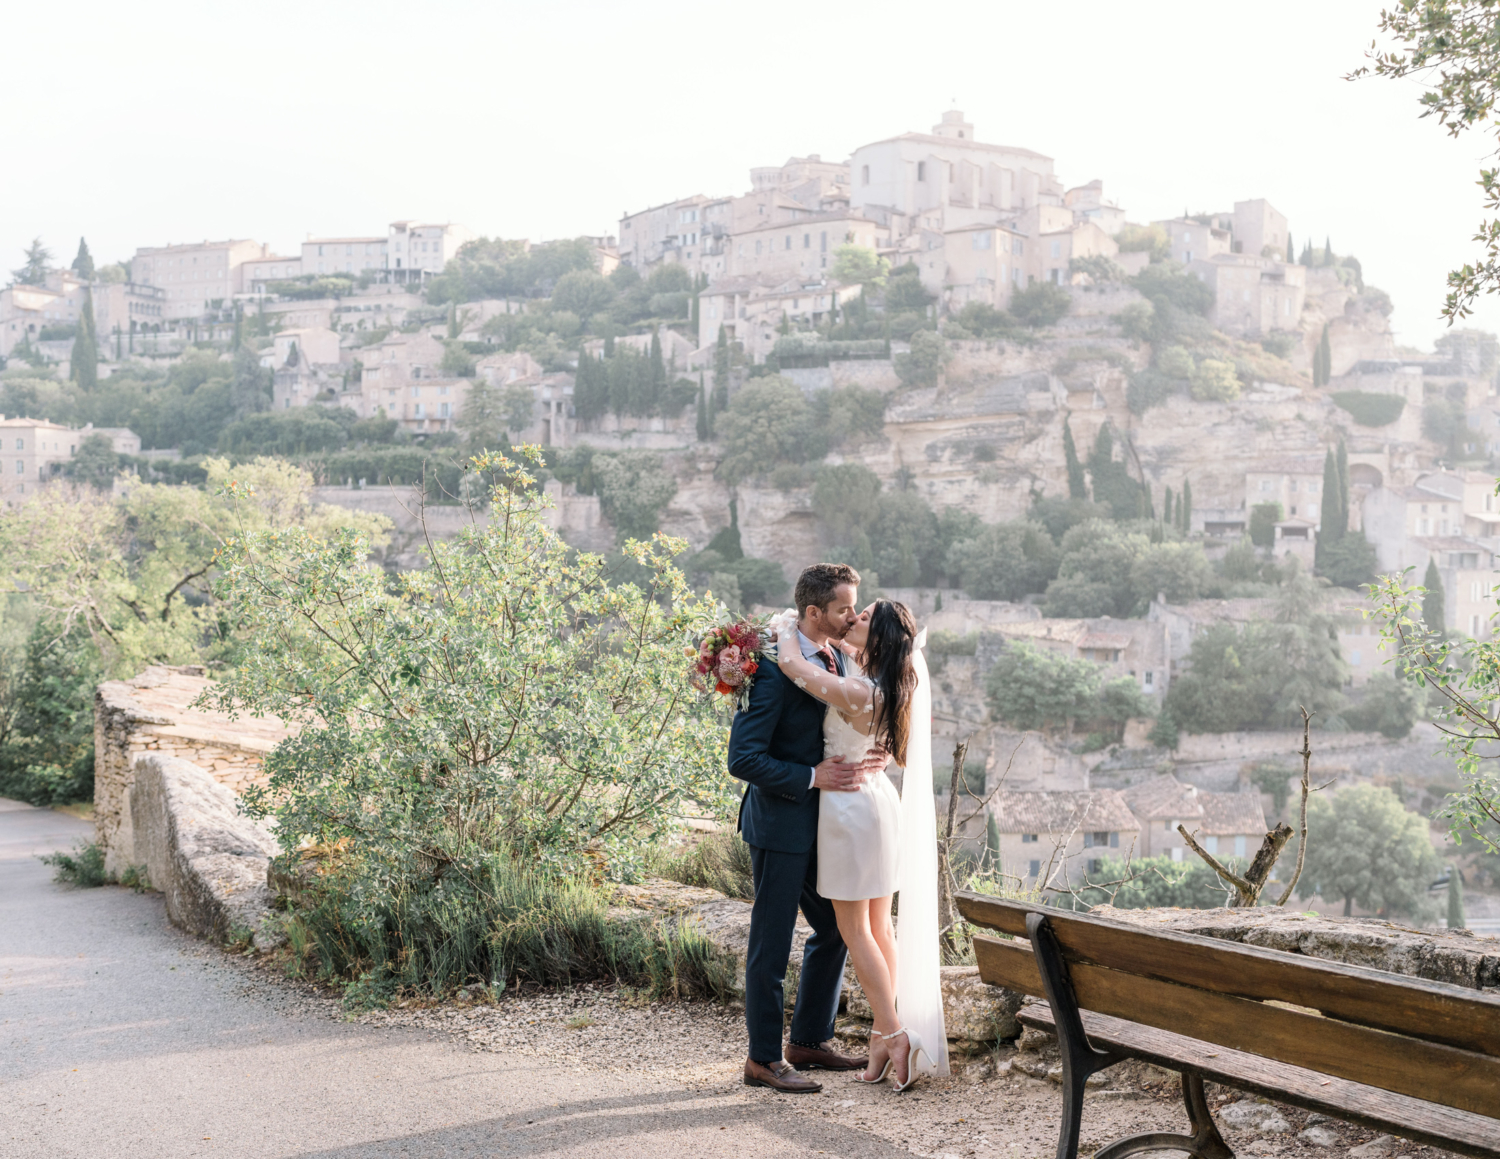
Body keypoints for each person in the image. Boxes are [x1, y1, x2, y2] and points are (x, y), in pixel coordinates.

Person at [769, 596, 947, 1091]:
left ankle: (892, 1032)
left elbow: (791, 664)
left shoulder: (859, 690)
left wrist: (787, 622)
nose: (853, 618)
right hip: (875, 801)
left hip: (849, 809)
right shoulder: (886, 682)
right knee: (877, 926)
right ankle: (884, 1032)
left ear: (880, 638)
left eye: (863, 617)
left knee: (856, 930)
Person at [727, 563, 885, 1093]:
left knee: (838, 930)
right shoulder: (770, 666)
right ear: (814, 612)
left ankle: (810, 1041)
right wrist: (811, 776)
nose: (851, 616)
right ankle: (763, 1060)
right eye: (844, 608)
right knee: (771, 945)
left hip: (828, 825)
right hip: (779, 824)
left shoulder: (838, 656)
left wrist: (873, 752)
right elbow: (743, 759)